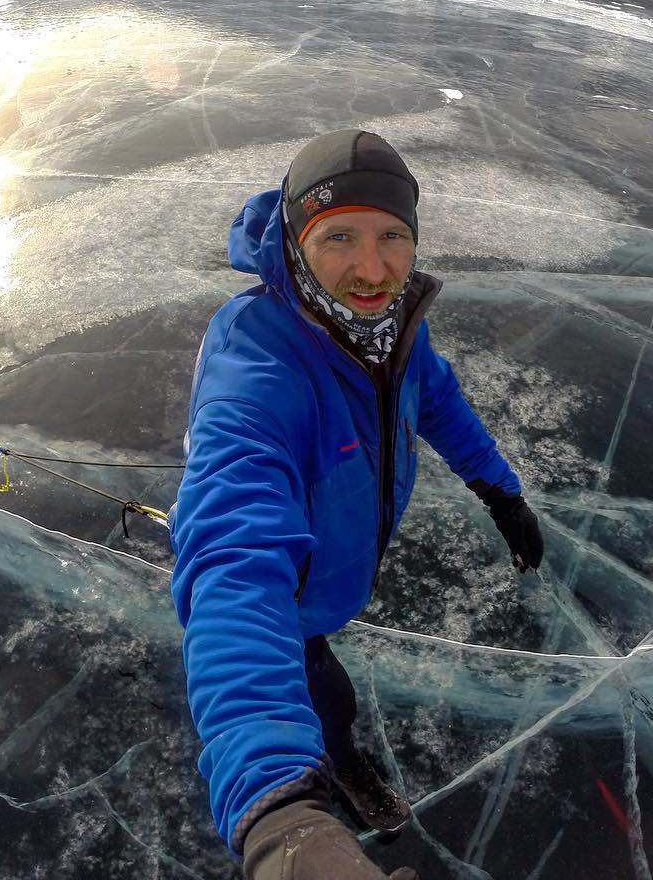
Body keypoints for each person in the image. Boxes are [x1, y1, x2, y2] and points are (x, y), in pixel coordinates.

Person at [170, 129, 544, 879]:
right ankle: (325, 772)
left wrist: (499, 490)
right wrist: (276, 813)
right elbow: (235, 568)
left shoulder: (394, 327)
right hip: (295, 592)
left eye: (392, 237)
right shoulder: (258, 373)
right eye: (339, 236)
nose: (372, 270)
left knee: (327, 681)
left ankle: (339, 755)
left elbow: (435, 396)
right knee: (315, 677)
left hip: (342, 566)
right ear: (294, 241)